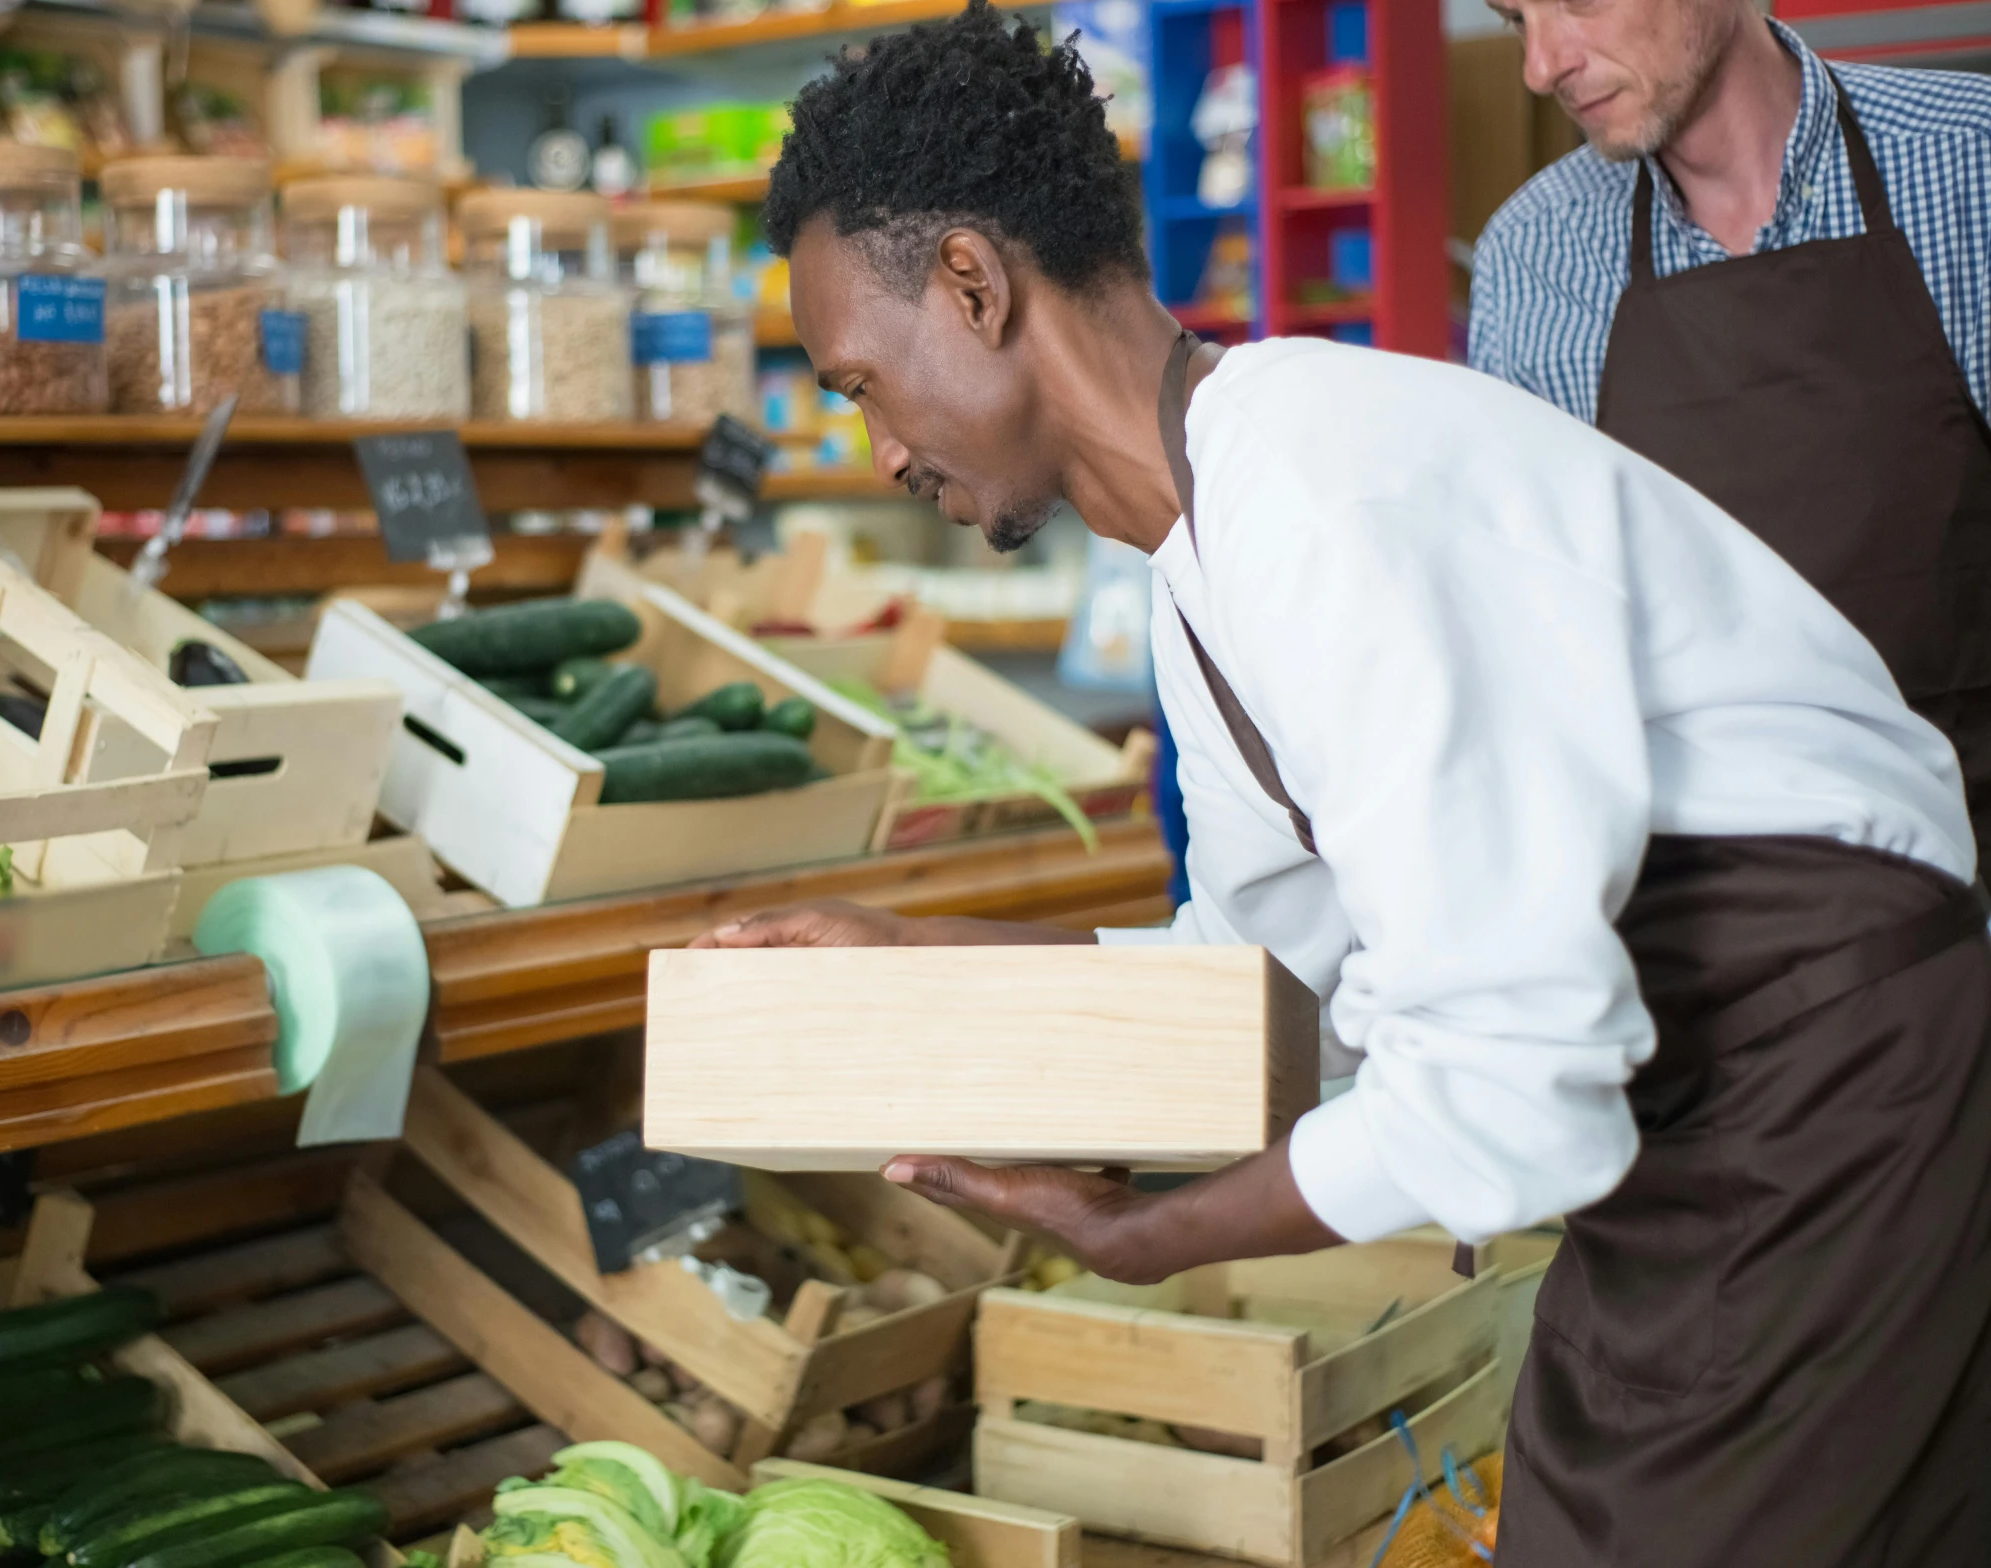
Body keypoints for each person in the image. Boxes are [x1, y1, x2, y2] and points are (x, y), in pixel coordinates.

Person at [693, 6, 1991, 1562]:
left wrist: (1152, 1237)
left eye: (858, 382)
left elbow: (1513, 1104)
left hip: (1842, 1122)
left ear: (973, 286)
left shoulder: (1318, 498)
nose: (876, 444)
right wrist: (911, 965)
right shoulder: (1207, 542)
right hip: (1700, 1134)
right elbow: (1261, 976)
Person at [1467, 0, 1991, 845]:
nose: (1540, 66)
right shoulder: (1532, 259)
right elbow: (1534, 654)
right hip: (1695, 923)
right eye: (1513, 20)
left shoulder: (1970, 169)